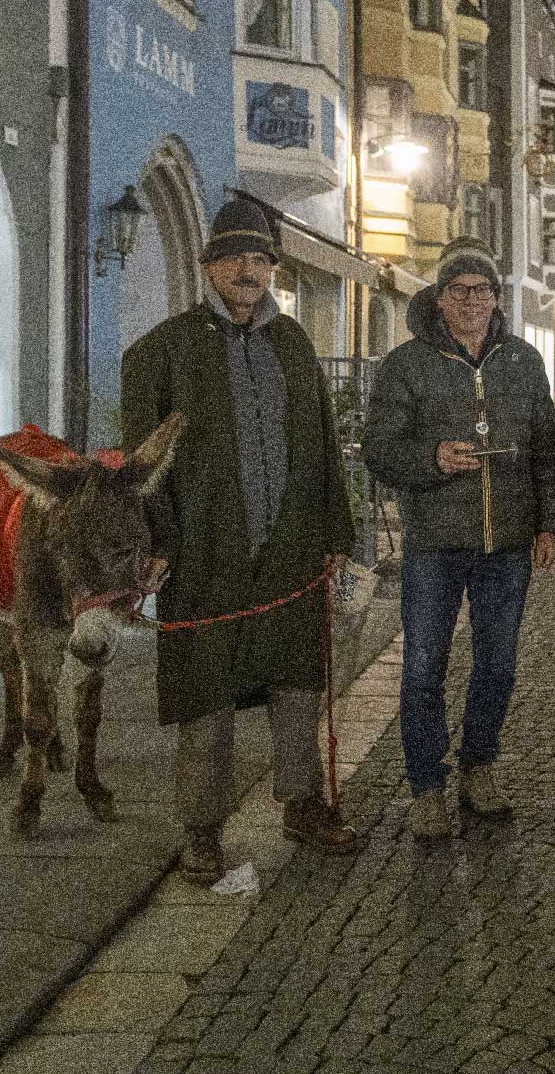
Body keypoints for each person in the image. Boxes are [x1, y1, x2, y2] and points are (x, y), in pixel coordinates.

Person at [121, 198, 359, 884]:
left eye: (260, 259)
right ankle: (202, 828)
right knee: (207, 696)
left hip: (289, 544)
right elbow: (142, 467)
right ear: (209, 267)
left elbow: (321, 444)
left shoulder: (293, 345)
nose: (249, 271)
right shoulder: (162, 352)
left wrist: (335, 529)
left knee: (297, 684)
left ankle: (302, 802)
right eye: (234, 259)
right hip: (204, 551)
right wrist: (158, 540)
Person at [362, 237, 555, 841]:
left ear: (496, 298)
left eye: (482, 290)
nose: (472, 300)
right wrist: (434, 458)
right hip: (435, 542)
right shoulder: (406, 365)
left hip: (507, 541)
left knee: (497, 663)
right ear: (440, 297)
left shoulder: (523, 361)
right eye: (459, 290)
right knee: (424, 666)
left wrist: (551, 522)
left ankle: (479, 766)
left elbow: (545, 450)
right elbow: (379, 450)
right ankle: (427, 785)